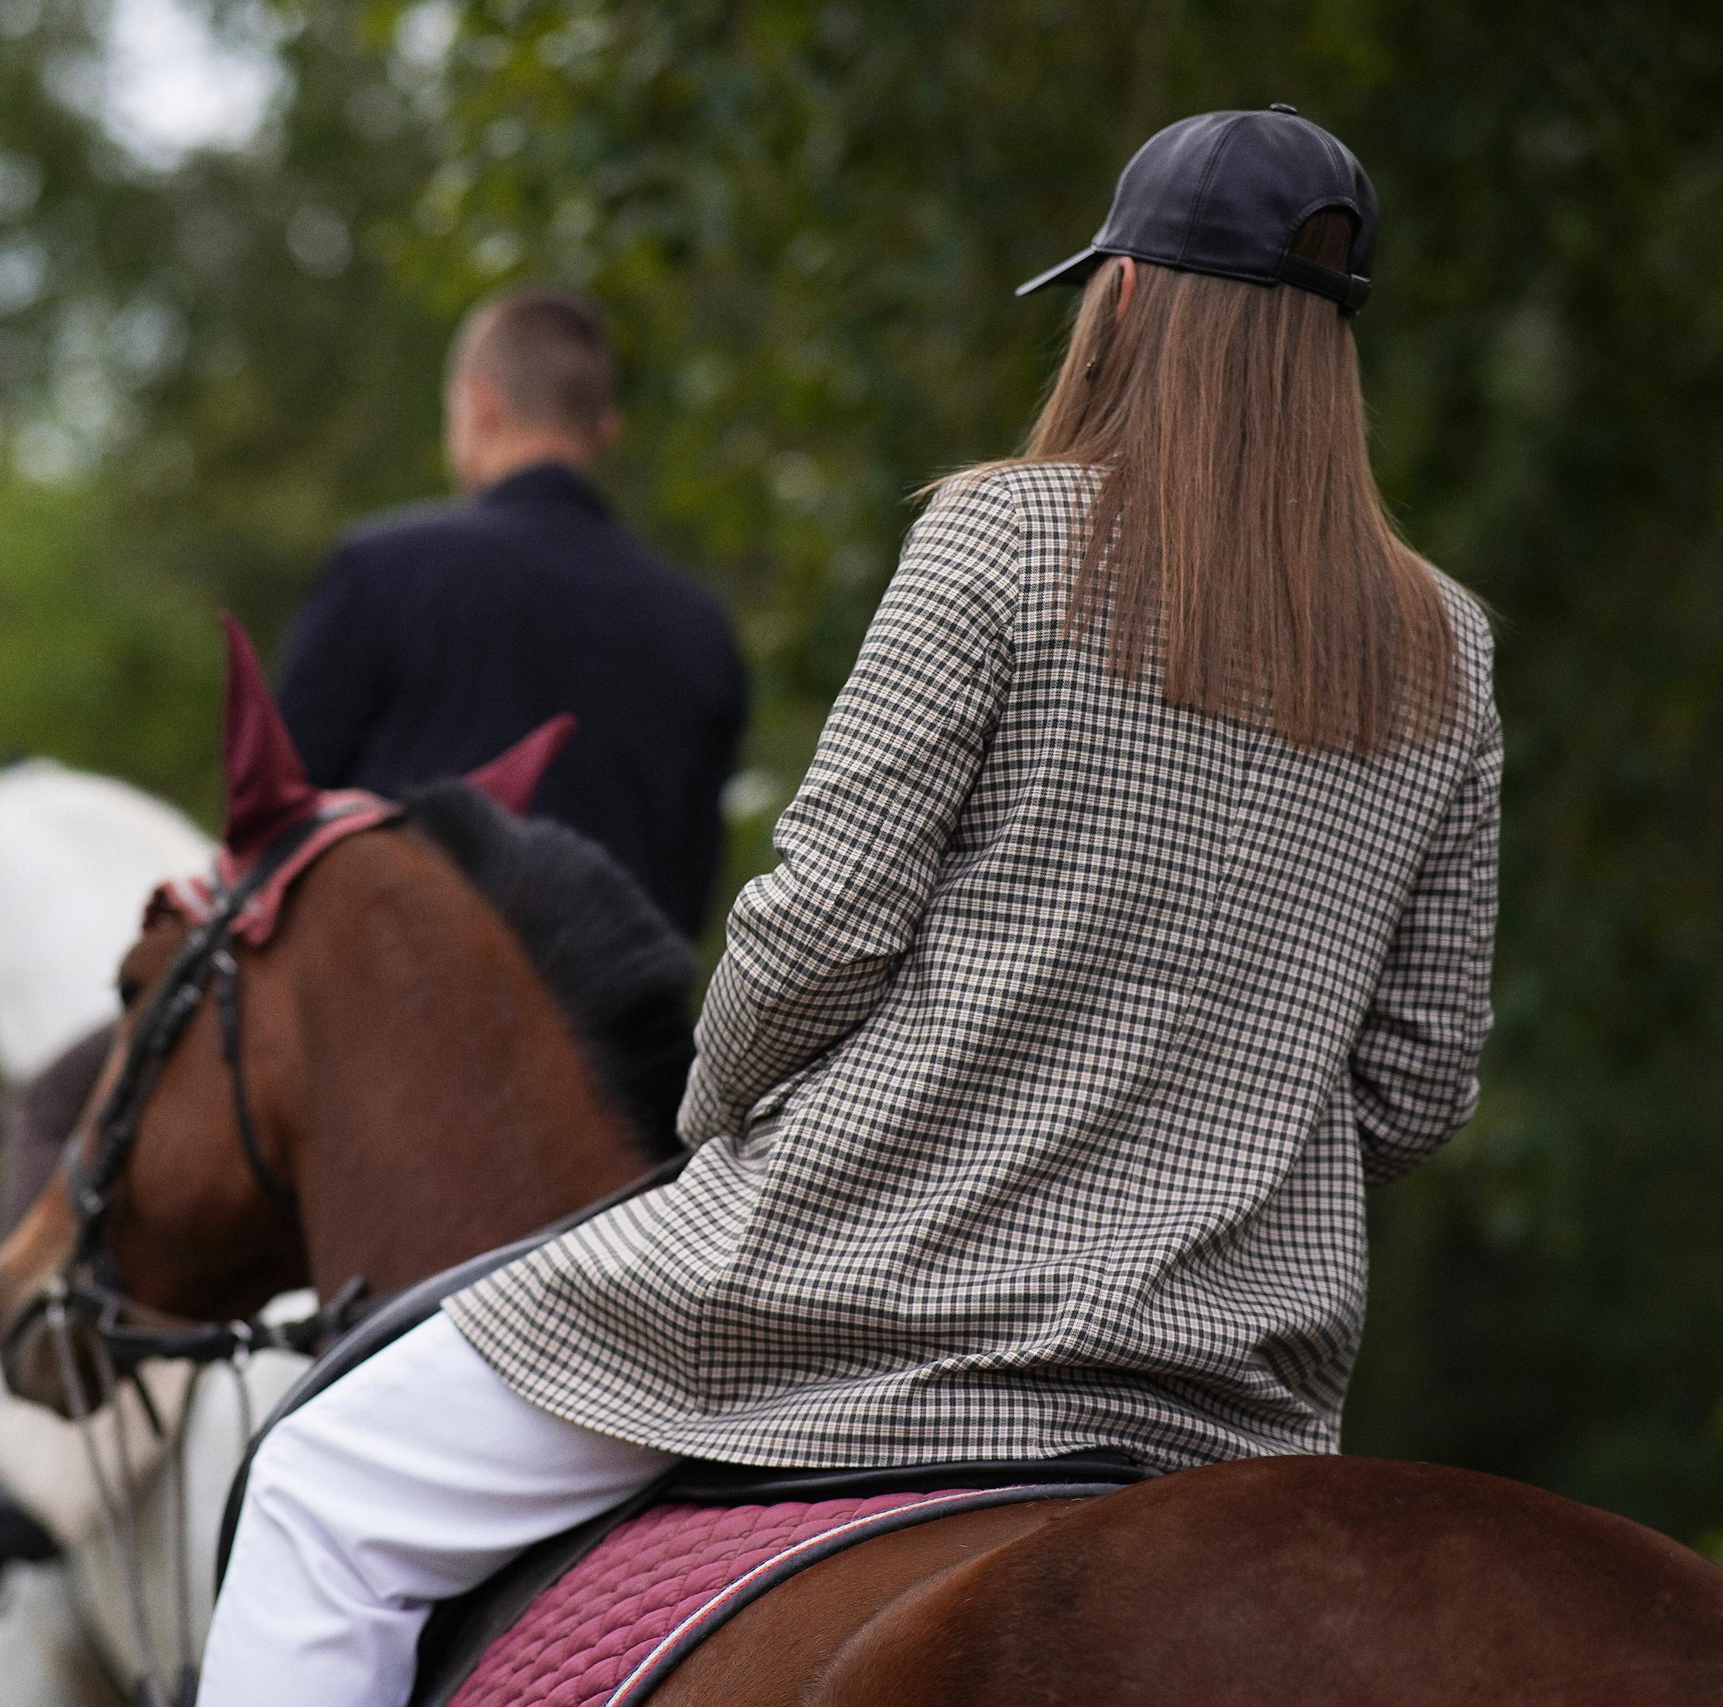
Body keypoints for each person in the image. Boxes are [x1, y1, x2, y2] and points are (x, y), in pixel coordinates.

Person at [198, 106, 1499, 1706]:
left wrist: (709, 1124)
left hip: (862, 1282)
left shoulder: (999, 539)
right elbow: (1418, 1088)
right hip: (1229, 1374)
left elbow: (820, 931)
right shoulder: (1446, 648)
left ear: (1126, 300)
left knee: (322, 1487)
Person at [274, 286, 748, 938]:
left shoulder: (382, 571)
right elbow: (686, 897)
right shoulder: (700, 630)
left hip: (403, 984)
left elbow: (272, 818)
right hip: (612, 1001)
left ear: (480, 406)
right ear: (605, 431)